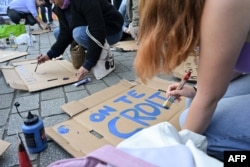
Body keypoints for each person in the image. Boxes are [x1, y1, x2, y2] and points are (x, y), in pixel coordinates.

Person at [134, 0, 250, 161]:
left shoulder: (223, 5)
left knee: (203, 130)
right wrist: (196, 90)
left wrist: (177, 154)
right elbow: (234, 64)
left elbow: (208, 99)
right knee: (193, 104)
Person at [37, 0, 123, 81]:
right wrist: (50, 54)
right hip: (92, 28)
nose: (51, 2)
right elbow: (65, 33)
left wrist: (88, 64)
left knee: (78, 34)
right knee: (57, 32)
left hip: (112, 31)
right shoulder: (59, 7)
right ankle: (94, 51)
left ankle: (101, 52)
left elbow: (97, 31)